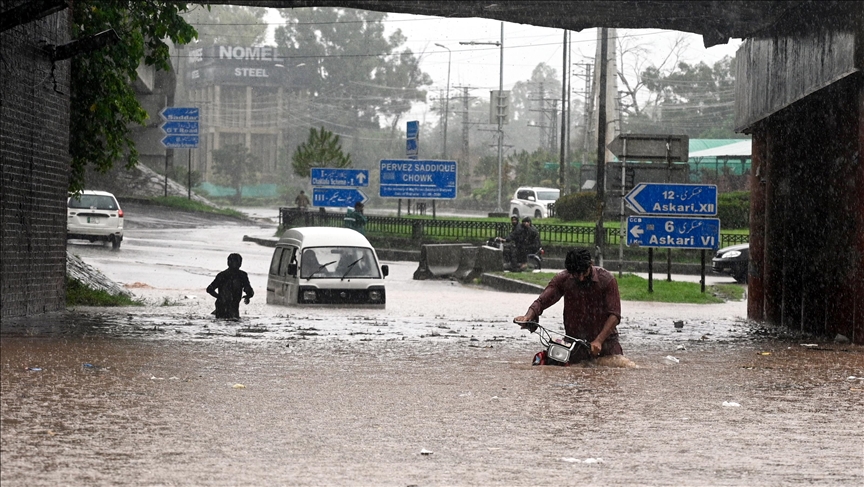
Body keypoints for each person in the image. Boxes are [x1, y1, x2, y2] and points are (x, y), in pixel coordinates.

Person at [514, 247, 623, 364]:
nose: (581, 278)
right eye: (576, 274)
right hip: (575, 346)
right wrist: (529, 315)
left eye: (584, 273)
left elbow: (615, 315)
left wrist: (599, 341)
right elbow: (542, 301)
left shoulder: (607, 280)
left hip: (607, 346)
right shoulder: (563, 279)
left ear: (590, 264)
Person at [206, 253, 254, 319]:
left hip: (222, 305)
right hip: (231, 307)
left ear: (228, 263)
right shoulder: (242, 275)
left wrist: (220, 297)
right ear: (240, 264)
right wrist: (248, 296)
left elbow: (210, 289)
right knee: (234, 322)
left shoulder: (222, 275)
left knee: (222, 322)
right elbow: (249, 290)